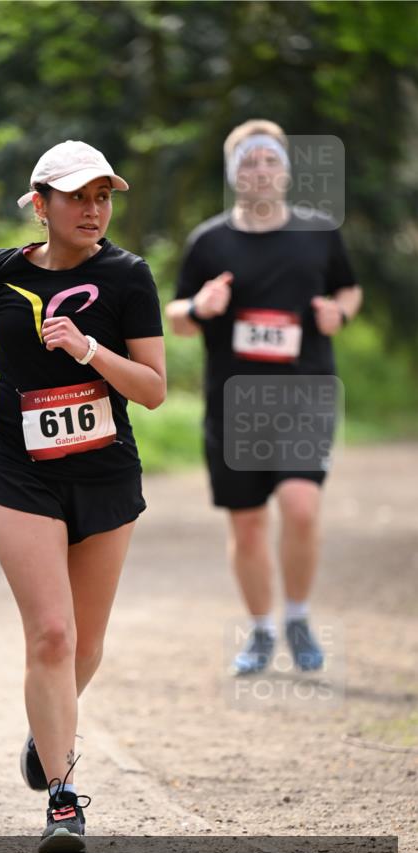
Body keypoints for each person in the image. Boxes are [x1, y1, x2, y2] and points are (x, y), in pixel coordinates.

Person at [0, 140, 166, 853]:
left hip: (105, 473)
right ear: (39, 204)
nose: (94, 210)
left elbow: (153, 390)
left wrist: (89, 352)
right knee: (51, 634)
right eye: (78, 197)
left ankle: (45, 736)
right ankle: (64, 800)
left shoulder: (128, 277)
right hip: (20, 472)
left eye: (103, 197)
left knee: (87, 645)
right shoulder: (0, 270)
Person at [167, 120, 362, 675]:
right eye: (248, 164)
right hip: (234, 403)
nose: (260, 171)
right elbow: (176, 319)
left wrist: (340, 312)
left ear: (285, 169)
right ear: (234, 176)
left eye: (269, 161)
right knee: (248, 524)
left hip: (304, 394)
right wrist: (201, 308)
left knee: (300, 509)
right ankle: (260, 630)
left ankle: (297, 615)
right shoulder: (209, 242)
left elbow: (349, 286)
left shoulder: (320, 232)